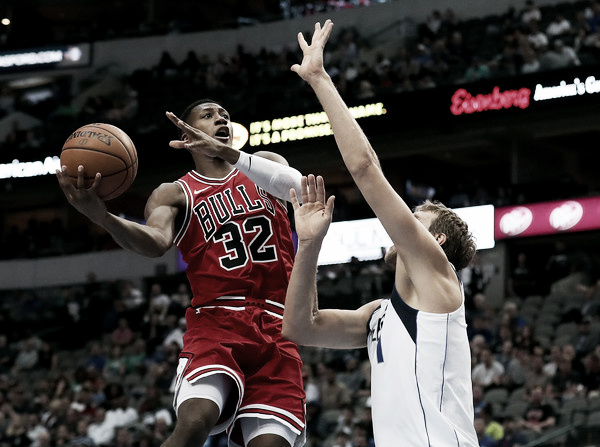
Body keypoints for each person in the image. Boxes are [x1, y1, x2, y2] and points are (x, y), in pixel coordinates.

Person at [57, 98, 306, 447]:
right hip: (218, 321)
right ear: (186, 135)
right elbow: (156, 241)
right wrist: (102, 217)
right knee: (195, 423)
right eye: (208, 115)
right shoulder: (174, 193)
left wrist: (232, 154)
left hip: (279, 326)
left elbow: (295, 184)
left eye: (225, 116)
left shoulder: (264, 164)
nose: (220, 118)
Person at [282, 20, 478, 447]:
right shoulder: (379, 314)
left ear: (437, 242)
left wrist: (318, 78)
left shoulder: (439, 281)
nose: (403, 221)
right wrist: (310, 244)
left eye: (417, 218)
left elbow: (365, 169)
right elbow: (299, 327)